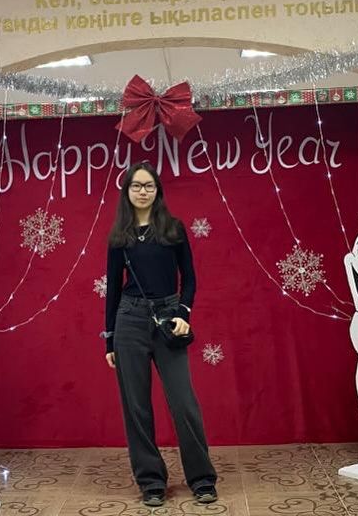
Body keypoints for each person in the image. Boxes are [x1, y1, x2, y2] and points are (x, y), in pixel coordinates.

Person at [103, 161, 217, 507]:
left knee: (184, 402)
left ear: (158, 190)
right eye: (136, 186)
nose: (143, 192)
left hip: (168, 318)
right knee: (136, 407)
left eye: (148, 186)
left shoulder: (173, 229)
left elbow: (190, 278)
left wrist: (183, 313)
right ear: (127, 191)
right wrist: (109, 339)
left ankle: (202, 479)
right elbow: (113, 290)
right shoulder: (119, 237)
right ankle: (151, 481)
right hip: (129, 321)